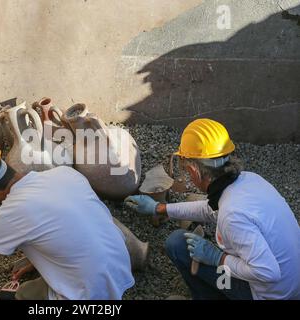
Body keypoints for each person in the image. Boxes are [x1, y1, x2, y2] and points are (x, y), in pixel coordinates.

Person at [0, 143, 136, 300]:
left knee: (13, 297)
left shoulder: (9, 215)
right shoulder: (64, 173)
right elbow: (67, 226)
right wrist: (36, 260)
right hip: (120, 269)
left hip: (92, 295)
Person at [125, 118, 300, 300]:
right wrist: (160, 208)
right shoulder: (249, 180)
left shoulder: (232, 215)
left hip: (269, 295)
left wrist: (218, 258)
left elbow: (267, 272)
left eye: (185, 168)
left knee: (177, 244)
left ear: (194, 170)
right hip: (292, 285)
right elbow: (210, 209)